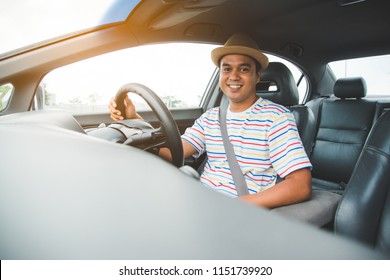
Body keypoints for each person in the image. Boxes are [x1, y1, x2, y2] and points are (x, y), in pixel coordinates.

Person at [109, 33, 312, 209]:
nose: (234, 76)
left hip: (238, 212)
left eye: (243, 69)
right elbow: (174, 152)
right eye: (226, 69)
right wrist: (133, 121)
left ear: (258, 75)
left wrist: (237, 206)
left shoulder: (276, 118)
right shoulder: (211, 117)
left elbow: (300, 185)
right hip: (199, 201)